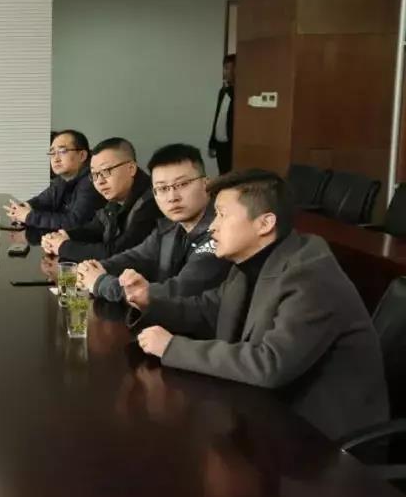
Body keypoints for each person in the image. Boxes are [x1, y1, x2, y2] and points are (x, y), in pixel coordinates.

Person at [131, 169, 387, 439]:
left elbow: (271, 364)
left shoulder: (311, 276)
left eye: (222, 214)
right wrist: (149, 301)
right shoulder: (249, 263)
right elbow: (208, 310)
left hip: (322, 436)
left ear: (264, 224)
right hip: (267, 411)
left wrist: (172, 347)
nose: (212, 226)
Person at [76, 144, 230, 304]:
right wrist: (92, 270)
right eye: (162, 188)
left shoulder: (220, 232)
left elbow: (178, 291)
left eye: (182, 184)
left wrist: (100, 283)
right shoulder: (170, 227)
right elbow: (136, 257)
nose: (172, 197)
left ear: (206, 184)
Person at [41, 138, 162, 262]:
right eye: (94, 174)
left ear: (131, 168)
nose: (99, 181)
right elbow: (95, 230)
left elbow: (118, 253)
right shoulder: (117, 197)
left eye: (106, 171)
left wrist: (63, 247)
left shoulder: (152, 201)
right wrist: (64, 236)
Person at [4, 129, 104, 233]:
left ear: (82, 155)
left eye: (62, 151)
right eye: (52, 153)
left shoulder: (92, 182)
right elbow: (43, 200)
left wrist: (29, 216)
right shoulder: (62, 179)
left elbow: (74, 223)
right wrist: (23, 208)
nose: (55, 159)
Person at [209, 53, 236, 174]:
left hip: (231, 145)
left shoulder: (238, 93)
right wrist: (212, 142)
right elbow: (218, 117)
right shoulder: (223, 92)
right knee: (223, 175)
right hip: (220, 144)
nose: (224, 72)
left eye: (227, 68)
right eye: (224, 68)